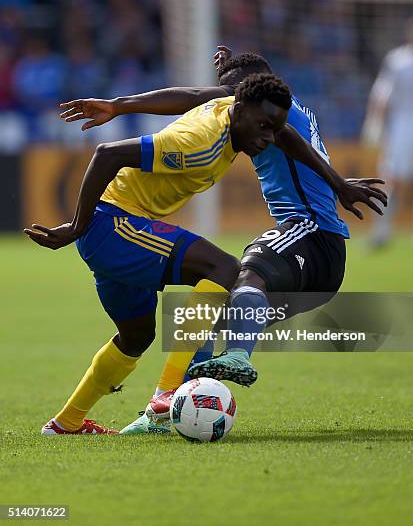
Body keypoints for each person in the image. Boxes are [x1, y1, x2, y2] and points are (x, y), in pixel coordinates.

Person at [58, 48, 387, 435]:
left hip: (312, 235)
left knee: (233, 272)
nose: (266, 134)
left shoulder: (262, 120)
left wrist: (338, 184)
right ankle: (151, 414)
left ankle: (212, 369)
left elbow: (261, 125)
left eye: (228, 93)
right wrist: (119, 105)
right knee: (194, 314)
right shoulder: (245, 116)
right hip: (116, 220)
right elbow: (199, 98)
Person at [26, 72, 307, 435]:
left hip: (117, 230)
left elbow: (190, 93)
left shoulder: (232, 104)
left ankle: (66, 423)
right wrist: (77, 226)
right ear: (239, 111)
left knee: (136, 336)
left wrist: (118, 105)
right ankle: (169, 393)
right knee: (223, 267)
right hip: (115, 226)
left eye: (275, 129)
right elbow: (107, 154)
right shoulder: (198, 142)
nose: (269, 138)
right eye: (264, 127)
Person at [362, 18, 413, 246]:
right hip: (403, 127)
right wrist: (374, 123)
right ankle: (381, 232)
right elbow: (382, 95)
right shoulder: (398, 60)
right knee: (392, 179)